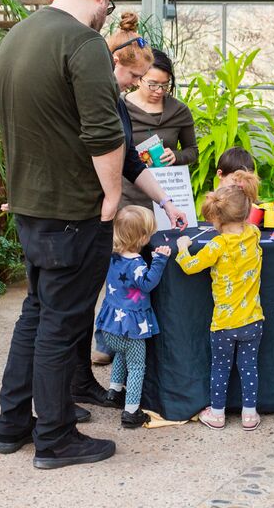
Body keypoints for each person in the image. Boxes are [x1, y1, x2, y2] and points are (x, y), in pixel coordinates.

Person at [0, 0, 123, 469]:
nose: (106, 17)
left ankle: (13, 424)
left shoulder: (15, 37)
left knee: (38, 313)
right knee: (62, 324)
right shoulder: (83, 43)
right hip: (73, 209)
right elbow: (102, 131)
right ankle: (56, 438)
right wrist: (110, 197)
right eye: (107, 7)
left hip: (30, 207)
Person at [86, 24, 189, 371]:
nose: (142, 85)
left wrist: (165, 202)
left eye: (161, 83)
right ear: (115, 63)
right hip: (115, 203)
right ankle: (107, 340)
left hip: (146, 198)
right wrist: (113, 195)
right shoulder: (107, 101)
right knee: (115, 275)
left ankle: (136, 337)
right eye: (139, 77)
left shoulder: (125, 101)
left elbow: (129, 157)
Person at [175, 180, 264, 431]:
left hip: (224, 324)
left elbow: (190, 266)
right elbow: (251, 228)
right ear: (247, 212)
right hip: (253, 320)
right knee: (249, 368)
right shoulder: (254, 234)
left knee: (220, 369)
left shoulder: (218, 245)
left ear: (216, 218)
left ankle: (217, 413)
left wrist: (183, 249)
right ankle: (249, 415)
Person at [93, 205, 170, 429]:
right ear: (143, 237)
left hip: (112, 324)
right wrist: (160, 260)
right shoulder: (136, 262)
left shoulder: (113, 256)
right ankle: (131, 411)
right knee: (137, 366)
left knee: (120, 355)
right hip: (132, 327)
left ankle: (114, 392)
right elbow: (147, 283)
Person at [120, 27, 198, 211]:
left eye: (165, 85)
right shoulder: (121, 106)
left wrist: (176, 156)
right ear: (139, 79)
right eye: (153, 84)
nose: (159, 91)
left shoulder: (179, 111)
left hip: (168, 195)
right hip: (127, 197)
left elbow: (192, 151)